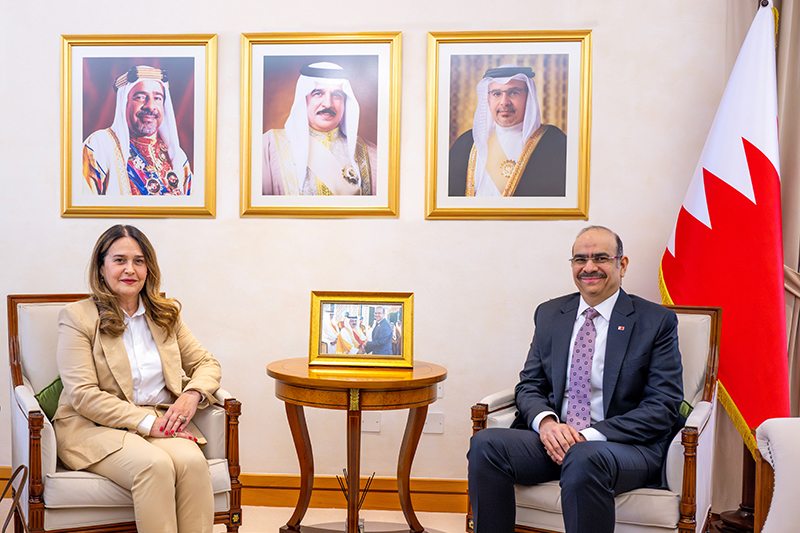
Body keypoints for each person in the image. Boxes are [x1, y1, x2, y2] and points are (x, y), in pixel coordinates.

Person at [467, 226, 683, 533]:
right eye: (580, 259)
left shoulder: (655, 321)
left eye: (601, 258)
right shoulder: (550, 314)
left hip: (622, 446)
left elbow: (663, 406)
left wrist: (587, 436)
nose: (589, 267)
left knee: (584, 457)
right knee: (485, 444)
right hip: (555, 439)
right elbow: (530, 385)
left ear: (622, 265)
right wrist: (547, 424)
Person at [54, 225, 221, 533]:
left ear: (148, 268)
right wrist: (148, 424)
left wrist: (192, 394)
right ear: (101, 268)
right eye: (119, 260)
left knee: (193, 463)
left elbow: (206, 363)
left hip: (159, 420)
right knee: (154, 465)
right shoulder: (77, 317)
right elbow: (83, 394)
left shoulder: (166, 315)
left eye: (139, 261)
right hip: (93, 426)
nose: (130, 269)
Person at [449, 65, 566, 197]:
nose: (504, 102)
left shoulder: (553, 142)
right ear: (488, 99)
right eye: (497, 94)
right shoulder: (467, 142)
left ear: (528, 98)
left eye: (514, 93)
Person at [262, 62, 377, 196]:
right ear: (304, 99)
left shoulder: (370, 154)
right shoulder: (268, 146)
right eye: (318, 93)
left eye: (337, 95)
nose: (328, 104)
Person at [83, 66, 193, 196]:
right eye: (140, 97)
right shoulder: (100, 145)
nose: (150, 106)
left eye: (157, 98)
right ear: (125, 103)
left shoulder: (177, 156)